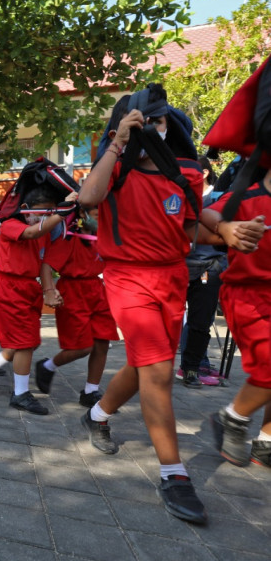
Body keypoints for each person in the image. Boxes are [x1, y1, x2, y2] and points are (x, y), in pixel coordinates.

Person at [77, 84, 210, 524]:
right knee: (159, 373)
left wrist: (229, 231)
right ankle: (174, 474)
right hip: (127, 278)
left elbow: (196, 227)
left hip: (173, 280)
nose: (153, 127)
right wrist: (118, 142)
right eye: (144, 120)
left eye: (158, 120)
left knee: (145, 364)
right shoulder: (117, 169)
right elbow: (88, 199)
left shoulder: (187, 173)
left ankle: (97, 414)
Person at [0, 170, 77, 415]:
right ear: (25, 207)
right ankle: (20, 394)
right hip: (9, 287)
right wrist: (64, 211)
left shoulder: (43, 233)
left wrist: (48, 290)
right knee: (24, 342)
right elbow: (32, 232)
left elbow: (44, 262)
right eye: (43, 211)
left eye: (50, 212)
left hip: (27, 288)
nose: (45, 217)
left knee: (25, 342)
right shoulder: (12, 224)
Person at [202, 167, 271, 467]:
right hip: (248, 294)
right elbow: (205, 216)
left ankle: (266, 442)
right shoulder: (247, 195)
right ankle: (232, 418)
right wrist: (227, 229)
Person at [36, 205, 118, 407]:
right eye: (99, 215)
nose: (102, 219)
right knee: (83, 347)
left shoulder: (102, 237)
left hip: (98, 291)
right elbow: (47, 265)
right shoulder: (69, 238)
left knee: (102, 342)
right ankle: (47, 365)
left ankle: (91, 391)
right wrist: (48, 290)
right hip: (72, 292)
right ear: (82, 214)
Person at [176, 155, 225, 388]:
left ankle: (191, 368)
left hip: (208, 267)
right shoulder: (176, 194)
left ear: (203, 174)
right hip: (176, 264)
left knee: (200, 322)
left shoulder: (218, 196)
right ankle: (157, 367)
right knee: (168, 319)